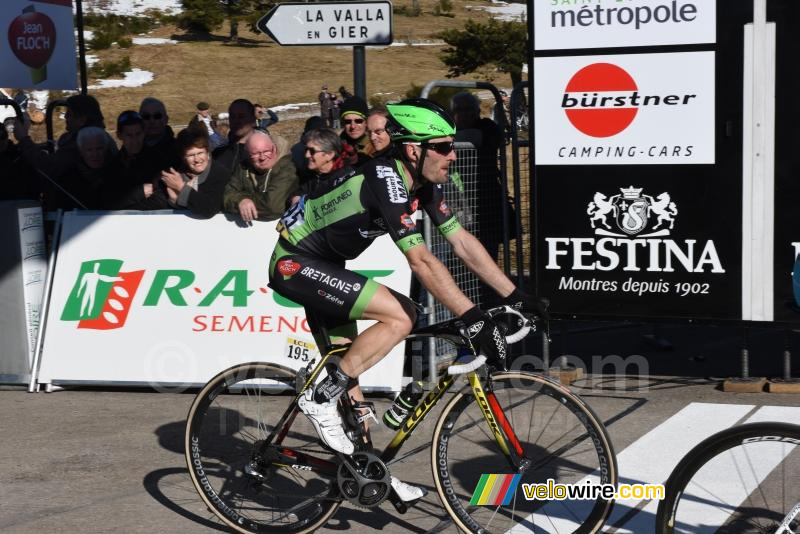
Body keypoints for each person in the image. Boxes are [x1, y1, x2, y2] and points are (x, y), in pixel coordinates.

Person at [268, 99, 547, 500]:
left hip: (325, 264)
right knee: (403, 316)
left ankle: (367, 471)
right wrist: (472, 316)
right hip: (294, 263)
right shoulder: (385, 178)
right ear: (414, 150)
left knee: (354, 399)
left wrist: (516, 295)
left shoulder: (422, 185)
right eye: (443, 147)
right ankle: (319, 396)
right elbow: (421, 260)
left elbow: (462, 242)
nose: (452, 155)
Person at [450, 91, 509, 306]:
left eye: (469, 109)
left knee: (487, 261)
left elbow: (482, 138)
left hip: (486, 209)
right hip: (456, 210)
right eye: (459, 110)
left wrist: (446, 139)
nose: (464, 114)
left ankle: (490, 307)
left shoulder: (487, 127)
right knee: (457, 265)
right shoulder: (450, 132)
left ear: (477, 111)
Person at [223, 130, 299, 222]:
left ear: (274, 148)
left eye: (267, 151)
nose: (262, 157)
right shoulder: (243, 167)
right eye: (256, 153)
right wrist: (241, 200)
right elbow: (227, 194)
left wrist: (244, 199)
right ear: (248, 154)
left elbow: (272, 208)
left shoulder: (287, 168)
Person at [159, 127, 228, 218]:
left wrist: (181, 187)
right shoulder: (175, 174)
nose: (196, 159)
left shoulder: (220, 173)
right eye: (190, 155)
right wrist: (173, 201)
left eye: (200, 153)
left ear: (208, 152)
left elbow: (210, 209)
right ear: (183, 157)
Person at [45, 126, 119, 210]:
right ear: (81, 151)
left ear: (106, 148)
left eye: (99, 149)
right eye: (89, 150)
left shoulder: (118, 172)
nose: (95, 154)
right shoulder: (68, 177)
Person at [100, 110, 160, 209]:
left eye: (138, 134)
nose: (135, 140)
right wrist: (140, 193)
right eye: (129, 135)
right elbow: (108, 203)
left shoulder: (158, 159)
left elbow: (161, 200)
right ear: (119, 135)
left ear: (144, 133)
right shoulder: (112, 166)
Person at [213, 98, 257, 175]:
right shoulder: (217, 154)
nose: (236, 121)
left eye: (242, 116)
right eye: (233, 116)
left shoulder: (265, 153)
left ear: (253, 119)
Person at [138, 97, 178, 175]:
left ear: (166, 119)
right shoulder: (130, 150)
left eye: (157, 116)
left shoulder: (179, 149)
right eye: (146, 116)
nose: (152, 121)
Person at [338, 95, 374, 167]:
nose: (353, 126)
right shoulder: (335, 147)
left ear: (366, 122)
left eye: (358, 121)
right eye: (348, 122)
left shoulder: (377, 147)